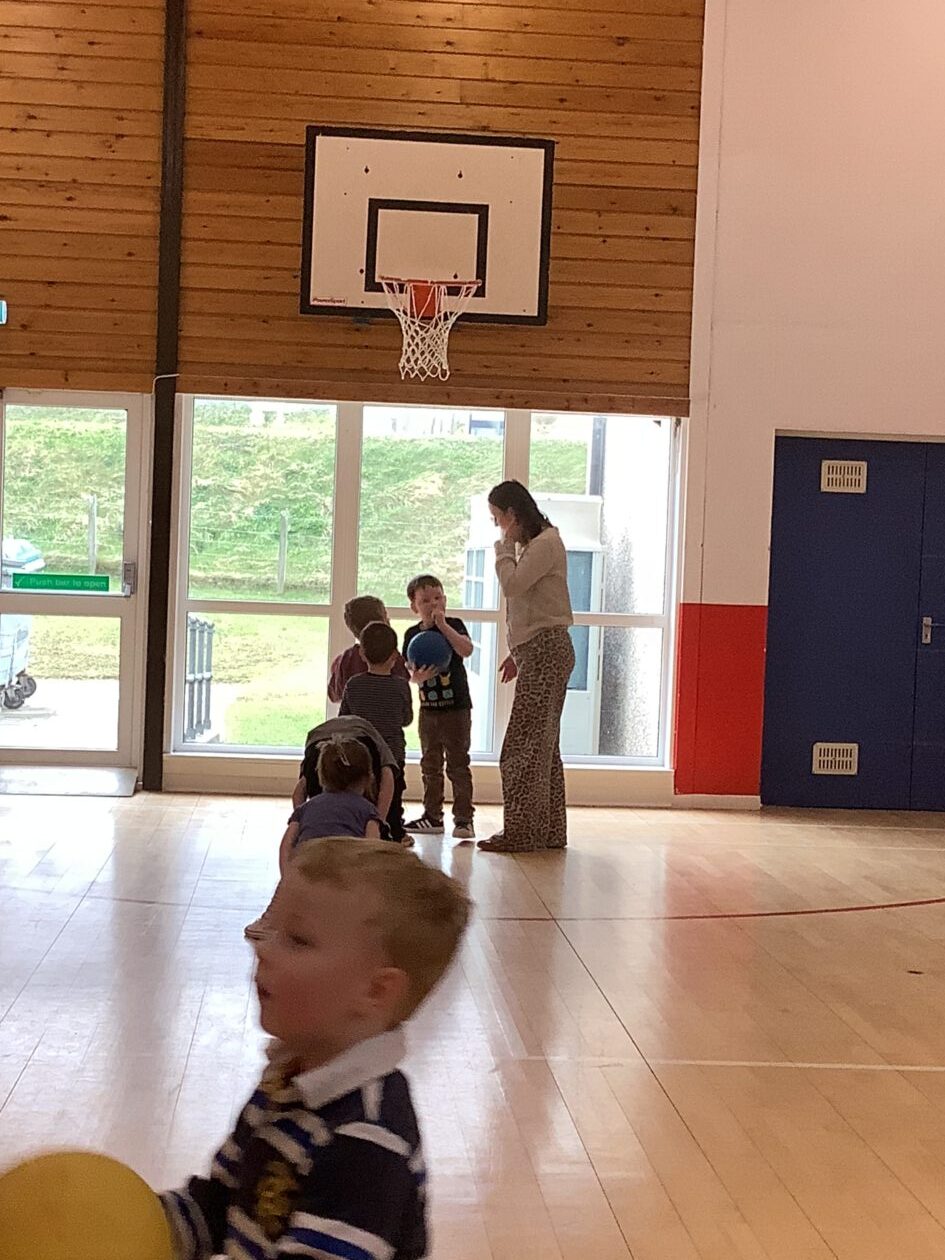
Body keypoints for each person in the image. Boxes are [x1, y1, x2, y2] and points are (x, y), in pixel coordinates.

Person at [164, 836, 471, 1260]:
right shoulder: (286, 1081)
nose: (262, 948)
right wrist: (137, 1224)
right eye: (270, 929)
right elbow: (220, 1204)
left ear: (376, 991)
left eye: (297, 940)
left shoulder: (367, 1139)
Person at [479, 480, 574, 853]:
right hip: (540, 651)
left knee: (521, 747)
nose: (498, 526)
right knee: (543, 748)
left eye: (498, 518)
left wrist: (502, 551)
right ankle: (548, 831)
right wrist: (517, 652)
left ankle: (522, 832)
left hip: (546, 651)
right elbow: (533, 606)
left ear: (512, 514)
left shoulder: (545, 544)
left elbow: (514, 586)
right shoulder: (541, 544)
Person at [244, 736, 385, 940]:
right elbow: (373, 847)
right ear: (368, 778)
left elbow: (286, 844)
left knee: (285, 898)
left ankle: (271, 921)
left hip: (306, 869)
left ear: (321, 776)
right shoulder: (367, 810)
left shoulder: (307, 807)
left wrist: (287, 876)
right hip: (345, 874)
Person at [402, 574, 475, 840]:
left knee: (458, 764)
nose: (433, 604)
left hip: (457, 708)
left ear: (445, 599)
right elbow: (407, 671)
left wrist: (443, 627)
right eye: (425, 600)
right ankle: (432, 816)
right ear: (414, 606)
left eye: (438, 598)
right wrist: (416, 678)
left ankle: (464, 820)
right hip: (429, 710)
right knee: (430, 765)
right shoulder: (412, 634)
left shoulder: (454, 625)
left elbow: (466, 649)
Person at [340, 621, 413, 838]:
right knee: (393, 796)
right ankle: (394, 833)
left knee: (361, 794)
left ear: (362, 654)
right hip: (393, 754)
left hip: (361, 753)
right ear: (395, 655)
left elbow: (344, 719)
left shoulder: (353, 684)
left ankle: (359, 829)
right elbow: (406, 719)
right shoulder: (401, 685)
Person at [293, 714, 407, 843]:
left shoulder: (314, 780)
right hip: (354, 737)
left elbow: (300, 789)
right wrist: (379, 822)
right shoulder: (368, 804)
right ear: (368, 778)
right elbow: (388, 777)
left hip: (321, 740)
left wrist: (301, 819)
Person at [328, 594, 408, 704]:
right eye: (386, 617)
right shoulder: (392, 657)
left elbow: (334, 695)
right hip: (388, 713)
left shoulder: (346, 658)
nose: (389, 620)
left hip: (356, 715)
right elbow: (403, 683)